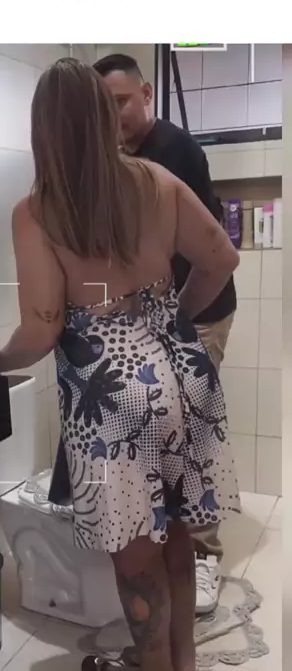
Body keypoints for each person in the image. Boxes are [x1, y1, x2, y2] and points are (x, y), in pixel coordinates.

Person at [0, 58, 240, 671]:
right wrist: (172, 319)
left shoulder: (38, 211)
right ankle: (183, 663)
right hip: (182, 376)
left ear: (43, 130)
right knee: (177, 536)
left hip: (112, 402)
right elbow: (222, 258)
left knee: (136, 564)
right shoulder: (157, 180)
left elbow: (42, 327)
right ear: (102, 117)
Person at [93, 53, 237, 616]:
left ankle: (203, 555)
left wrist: (176, 321)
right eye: (104, 107)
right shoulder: (115, 158)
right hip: (157, 317)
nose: (114, 116)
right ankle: (169, 546)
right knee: (163, 437)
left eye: (122, 102)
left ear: (147, 93)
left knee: (192, 435)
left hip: (198, 310)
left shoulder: (174, 152)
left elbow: (212, 253)